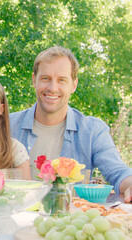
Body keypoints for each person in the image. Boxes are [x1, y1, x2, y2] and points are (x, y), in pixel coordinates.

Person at [10, 46, 132, 202]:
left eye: (62, 80)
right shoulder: (6, 126)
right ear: (34, 80)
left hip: (70, 223)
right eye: (45, 78)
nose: (53, 88)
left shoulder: (92, 130)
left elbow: (118, 172)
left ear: (73, 85)